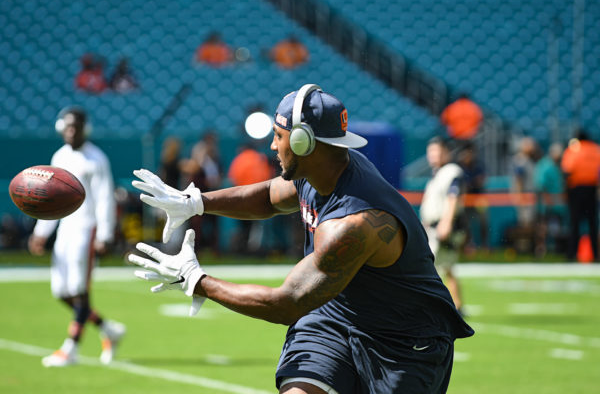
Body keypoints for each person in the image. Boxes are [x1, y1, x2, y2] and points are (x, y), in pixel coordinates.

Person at [129, 84, 473, 393]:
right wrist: (196, 203)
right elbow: (267, 197)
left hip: (402, 342)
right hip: (333, 316)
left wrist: (196, 280)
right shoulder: (321, 168)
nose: (272, 145)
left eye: (279, 136)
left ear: (303, 142)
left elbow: (287, 303)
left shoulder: (353, 224)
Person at [28, 107, 125, 367]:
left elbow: (105, 198)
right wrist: (41, 232)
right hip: (65, 229)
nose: (72, 131)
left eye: (77, 127)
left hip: (87, 228)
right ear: (61, 128)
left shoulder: (96, 159)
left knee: (80, 290)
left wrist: (104, 234)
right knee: (61, 291)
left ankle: (71, 348)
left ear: (86, 129)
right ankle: (108, 329)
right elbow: (48, 200)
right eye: (68, 127)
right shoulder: (59, 156)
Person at [420, 137, 467, 313]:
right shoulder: (437, 174)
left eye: (438, 151)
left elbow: (453, 197)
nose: (434, 155)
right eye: (431, 151)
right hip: (434, 227)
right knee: (447, 266)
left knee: (428, 267)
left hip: (444, 227)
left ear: (447, 152)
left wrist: (446, 222)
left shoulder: (451, 171)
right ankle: (458, 306)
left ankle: (431, 306)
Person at [226, 143, 274, 254]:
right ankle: (255, 249)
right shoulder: (260, 158)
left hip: (241, 196)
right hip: (258, 196)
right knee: (258, 225)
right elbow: (267, 177)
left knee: (243, 224)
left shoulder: (239, 159)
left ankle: (241, 248)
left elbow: (233, 178)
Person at [561, 130, 600, 261]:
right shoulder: (596, 149)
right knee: (593, 223)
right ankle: (595, 254)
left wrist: (565, 190)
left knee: (574, 223)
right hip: (592, 189)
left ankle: (572, 254)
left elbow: (567, 170)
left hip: (576, 189)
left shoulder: (574, 149)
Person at [533, 143, 567, 256]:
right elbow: (541, 184)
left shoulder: (557, 165)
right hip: (546, 204)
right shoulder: (546, 165)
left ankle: (556, 248)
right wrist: (546, 198)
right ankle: (541, 248)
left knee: (555, 227)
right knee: (543, 226)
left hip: (557, 204)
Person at [457, 142, 488, 252]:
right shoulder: (459, 167)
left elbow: (479, 182)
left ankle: (485, 245)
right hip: (463, 200)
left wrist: (469, 184)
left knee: (483, 219)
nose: (468, 156)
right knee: (464, 222)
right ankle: (468, 245)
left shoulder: (478, 165)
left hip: (477, 198)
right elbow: (462, 184)